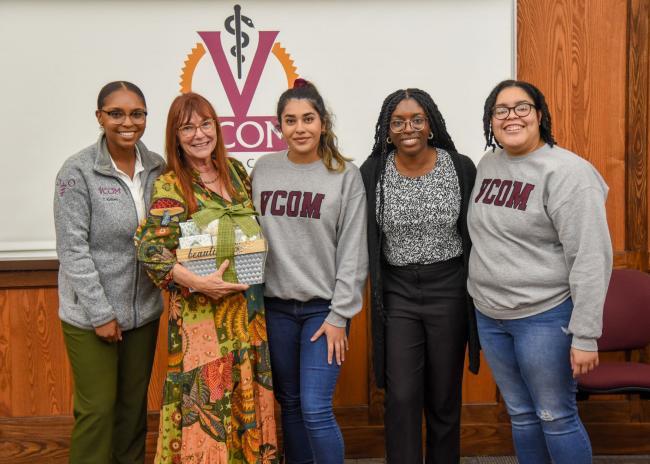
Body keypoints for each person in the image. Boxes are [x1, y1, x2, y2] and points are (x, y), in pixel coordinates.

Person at [468, 79, 613, 464]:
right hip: (491, 315)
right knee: (521, 414)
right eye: (501, 110)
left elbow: (591, 257)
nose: (511, 116)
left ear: (539, 115)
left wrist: (585, 334)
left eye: (522, 107)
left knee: (555, 416)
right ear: (490, 120)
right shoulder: (489, 163)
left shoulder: (569, 173)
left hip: (545, 318)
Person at [135, 92, 278, 463]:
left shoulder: (236, 172)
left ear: (217, 126)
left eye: (205, 124)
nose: (199, 134)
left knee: (246, 403)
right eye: (187, 127)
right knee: (209, 411)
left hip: (248, 313)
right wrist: (198, 282)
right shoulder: (171, 185)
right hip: (202, 319)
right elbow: (149, 249)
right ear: (175, 136)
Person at [360, 88, 480, 464]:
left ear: (430, 124)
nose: (407, 128)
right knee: (402, 395)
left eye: (416, 119)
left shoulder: (460, 166)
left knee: (443, 396)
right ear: (387, 129)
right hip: (397, 293)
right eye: (398, 121)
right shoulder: (373, 171)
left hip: (449, 288)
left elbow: (478, 231)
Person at [251, 79, 368, 464]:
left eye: (308, 118)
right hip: (276, 308)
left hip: (323, 312)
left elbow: (353, 252)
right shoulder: (264, 170)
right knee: (291, 405)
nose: (299, 128)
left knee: (316, 407)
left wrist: (340, 315)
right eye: (290, 120)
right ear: (278, 126)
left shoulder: (344, 176)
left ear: (322, 123)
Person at [54, 81, 165, 463]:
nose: (127, 122)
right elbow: (72, 250)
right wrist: (102, 314)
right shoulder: (77, 171)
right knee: (98, 411)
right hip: (91, 318)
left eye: (137, 113)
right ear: (100, 117)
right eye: (116, 113)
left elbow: (166, 235)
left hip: (144, 313)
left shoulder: (158, 168)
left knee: (133, 411)